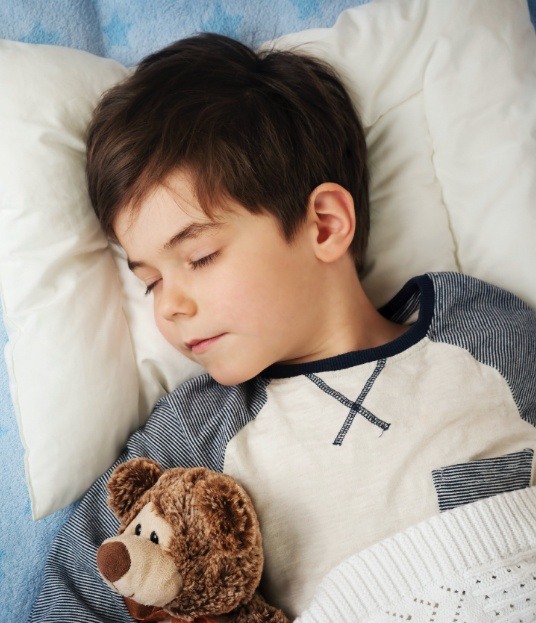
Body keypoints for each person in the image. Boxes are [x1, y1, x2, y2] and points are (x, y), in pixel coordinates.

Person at [30, 33, 536, 622]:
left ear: (323, 225)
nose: (168, 306)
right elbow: (80, 587)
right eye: (150, 281)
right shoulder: (201, 430)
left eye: (199, 258)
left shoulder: (479, 331)